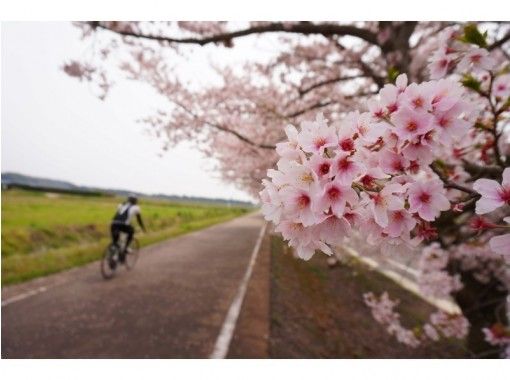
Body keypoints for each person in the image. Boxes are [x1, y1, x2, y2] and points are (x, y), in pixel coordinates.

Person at [110, 194, 146, 263]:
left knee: (115, 242)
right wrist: (143, 228)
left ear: (128, 200)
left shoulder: (121, 205)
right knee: (131, 231)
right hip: (123, 225)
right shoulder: (136, 207)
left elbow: (118, 214)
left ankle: (113, 253)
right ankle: (126, 248)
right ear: (135, 201)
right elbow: (139, 219)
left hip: (113, 224)